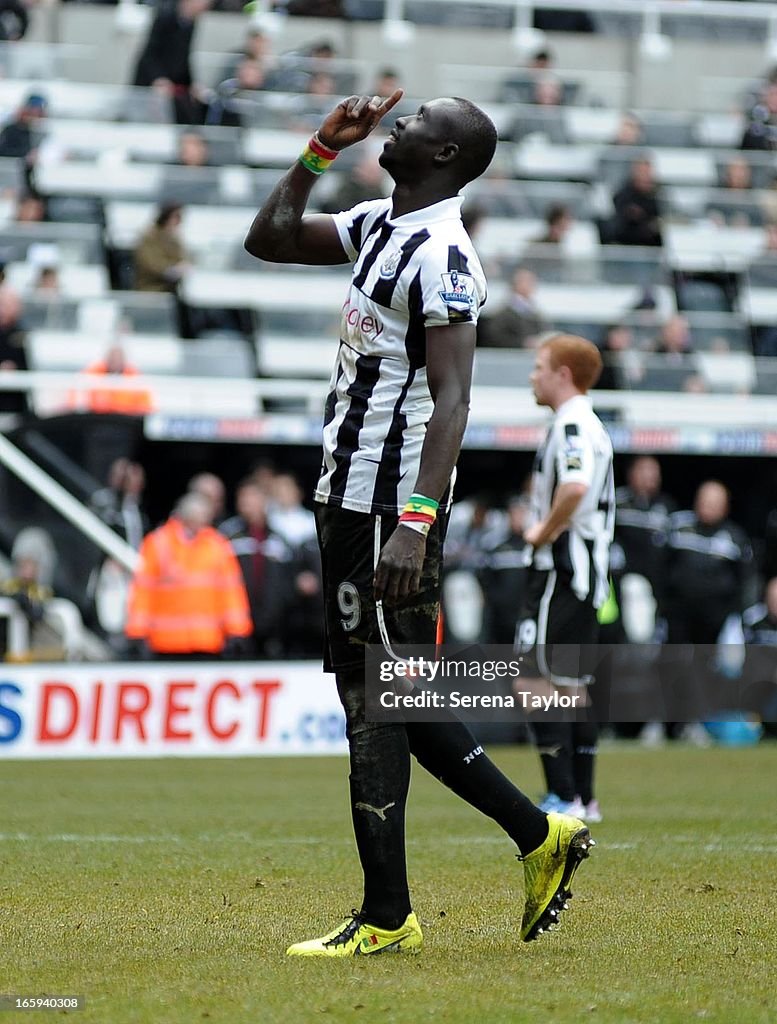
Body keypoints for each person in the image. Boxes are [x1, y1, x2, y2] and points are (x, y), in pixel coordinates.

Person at [245, 89, 594, 957]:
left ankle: (388, 915)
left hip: (387, 504)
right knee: (388, 697)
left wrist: (415, 521)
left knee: (373, 703)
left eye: (416, 124)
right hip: (346, 494)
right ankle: (538, 835)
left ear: (443, 157)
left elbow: (453, 400)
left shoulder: (444, 258)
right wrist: (320, 148)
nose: (396, 127)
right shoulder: (375, 225)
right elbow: (269, 239)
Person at [515, 334, 614, 823]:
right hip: (586, 573)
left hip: (562, 569)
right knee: (573, 686)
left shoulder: (572, 425)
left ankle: (562, 794)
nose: (533, 376)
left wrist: (540, 532)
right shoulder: (589, 423)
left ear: (563, 374)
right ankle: (584, 797)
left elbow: (574, 486)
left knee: (533, 677)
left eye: (539, 367)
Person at [125, 493, 252, 660]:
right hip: (165, 642)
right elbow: (143, 590)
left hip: (207, 641)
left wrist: (237, 631)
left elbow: (231, 592)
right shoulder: (158, 542)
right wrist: (137, 632)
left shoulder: (216, 545)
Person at [220, 479, 295, 657]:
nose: (246, 504)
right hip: (239, 622)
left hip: (273, 624)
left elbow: (288, 579)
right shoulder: (229, 536)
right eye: (243, 499)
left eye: (251, 499)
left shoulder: (278, 539)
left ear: (264, 501)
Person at [132, 0, 210, 125]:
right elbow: (149, 54)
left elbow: (184, 58)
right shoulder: (165, 18)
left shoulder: (191, 24)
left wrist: (192, 84)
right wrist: (159, 78)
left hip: (174, 86)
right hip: (153, 84)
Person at [70, 344, 154, 416]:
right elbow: (74, 399)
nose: (115, 361)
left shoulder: (134, 379)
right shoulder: (92, 375)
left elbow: (145, 407)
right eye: (112, 358)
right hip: (96, 418)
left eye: (118, 358)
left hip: (125, 421)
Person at [477, 267, 548, 349]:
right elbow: (496, 338)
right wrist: (523, 344)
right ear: (516, 284)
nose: (531, 285)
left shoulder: (535, 312)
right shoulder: (502, 314)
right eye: (527, 282)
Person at [134, 203, 190, 293]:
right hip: (151, 287)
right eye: (177, 217)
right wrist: (171, 269)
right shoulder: (149, 237)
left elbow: (182, 258)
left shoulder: (174, 238)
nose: (179, 221)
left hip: (171, 288)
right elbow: (151, 263)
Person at [611, 158, 663, 247]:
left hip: (652, 249)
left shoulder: (658, 195)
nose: (645, 177)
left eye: (647, 173)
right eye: (642, 172)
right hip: (627, 247)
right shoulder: (623, 195)